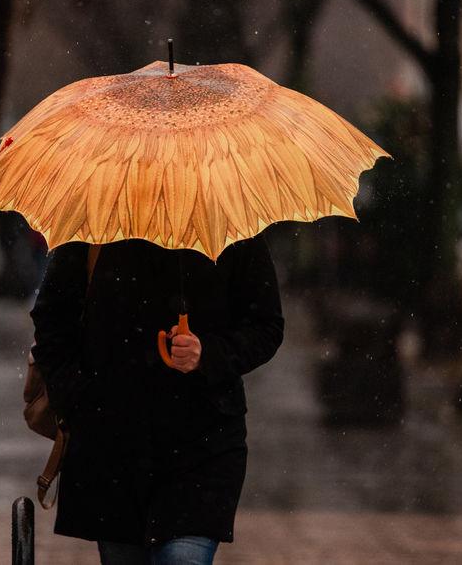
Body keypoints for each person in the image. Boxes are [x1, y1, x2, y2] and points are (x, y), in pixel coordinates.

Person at [30, 236, 284, 565]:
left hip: (202, 447)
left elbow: (266, 326)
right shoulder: (97, 227)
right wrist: (82, 399)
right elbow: (52, 325)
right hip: (112, 450)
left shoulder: (229, 227)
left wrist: (207, 354)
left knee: (183, 558)